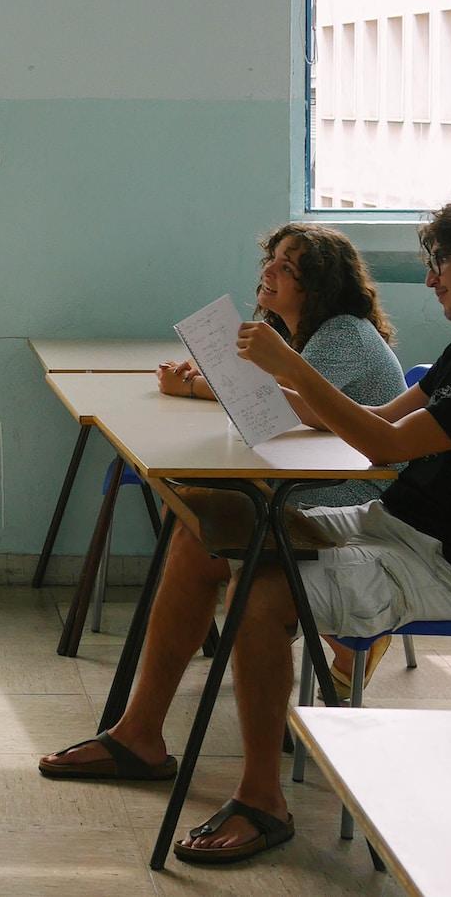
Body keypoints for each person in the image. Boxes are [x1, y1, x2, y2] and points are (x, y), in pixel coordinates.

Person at [39, 198, 451, 867]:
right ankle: (140, 736)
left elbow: (383, 443)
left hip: (441, 568)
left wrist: (289, 368)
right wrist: (245, 386)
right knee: (200, 526)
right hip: (391, 527)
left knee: (261, 594)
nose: (432, 278)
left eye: (442, 264)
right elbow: (377, 416)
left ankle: (263, 800)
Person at [155, 222, 406, 691]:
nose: (269, 270)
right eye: (271, 258)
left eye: (286, 267)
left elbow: (288, 406)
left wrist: (190, 387)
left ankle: (351, 638)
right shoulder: (294, 333)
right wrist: (206, 374)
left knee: (220, 513)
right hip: (326, 469)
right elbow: (268, 395)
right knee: (199, 512)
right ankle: (335, 639)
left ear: (317, 286)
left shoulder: (343, 334)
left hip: (361, 488)